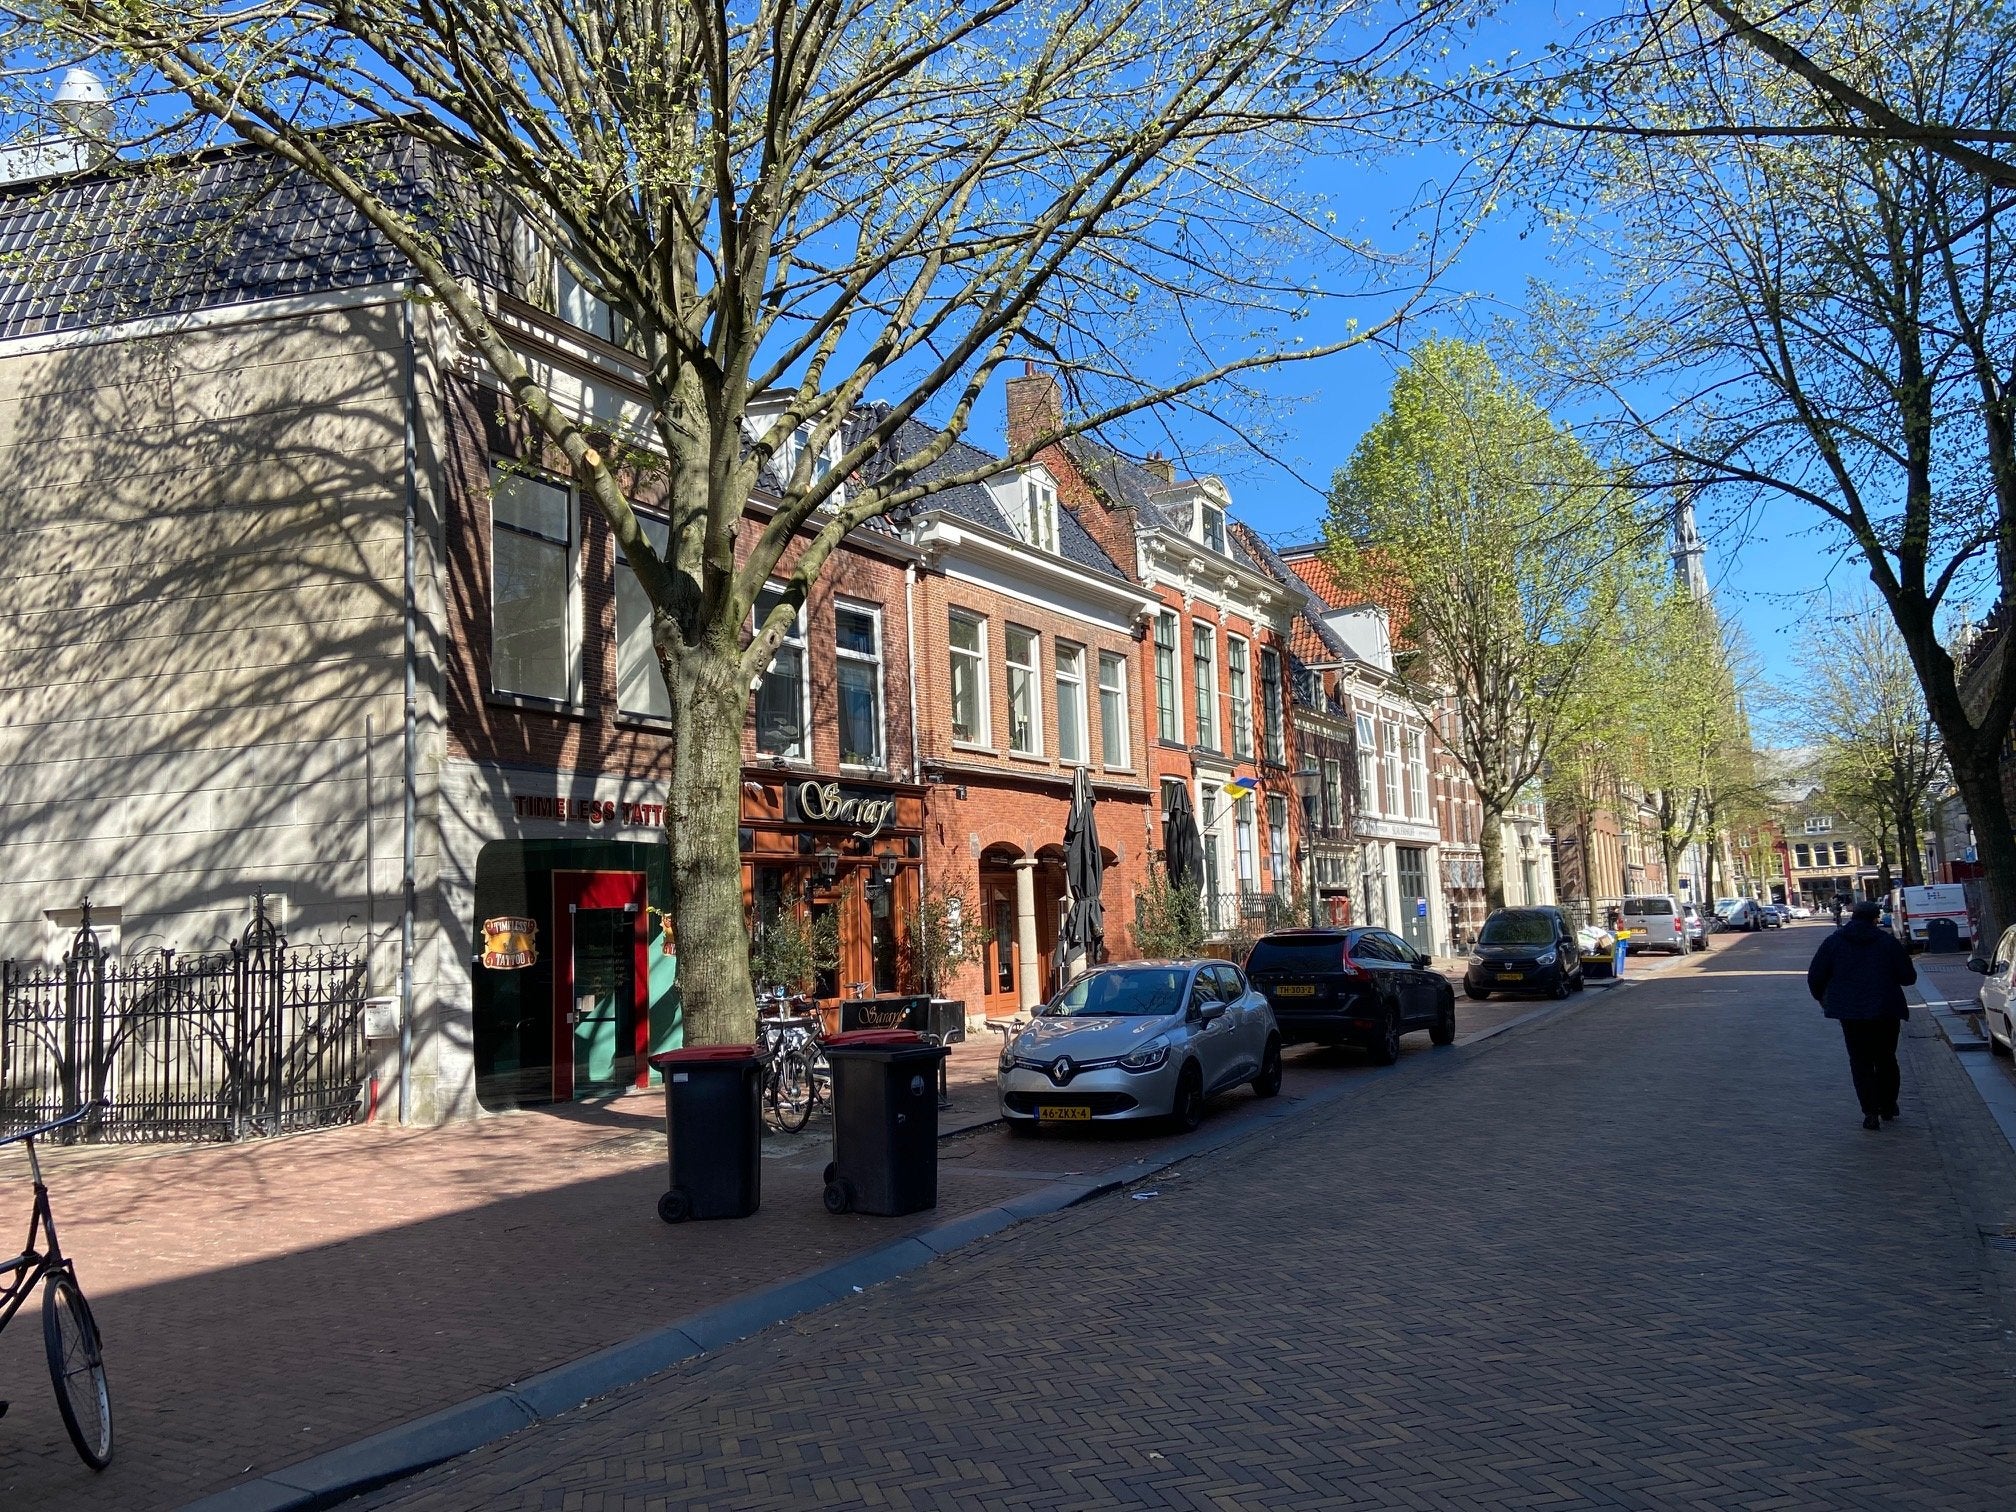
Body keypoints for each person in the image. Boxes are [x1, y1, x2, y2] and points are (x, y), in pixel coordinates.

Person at [1806, 898, 1916, 1130]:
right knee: (1886, 1058)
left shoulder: (1834, 942)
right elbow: (1908, 977)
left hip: (1851, 1013)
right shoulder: (1887, 942)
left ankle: (1870, 1112)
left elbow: (1815, 976)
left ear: (1852, 916)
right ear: (1876, 919)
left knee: (1860, 1061)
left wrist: (1824, 999)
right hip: (1886, 1010)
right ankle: (1887, 1105)